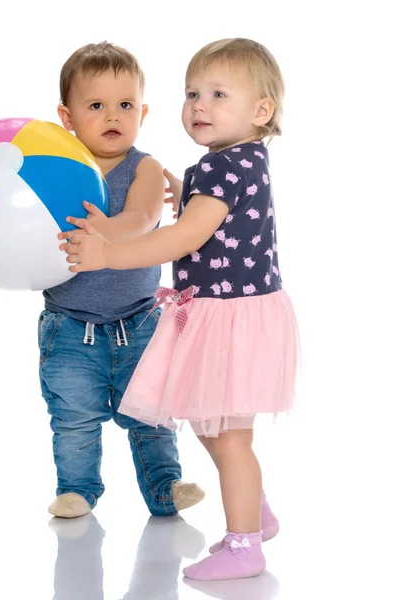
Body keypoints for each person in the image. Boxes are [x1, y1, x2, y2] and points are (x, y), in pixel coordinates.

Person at [60, 38, 299, 580]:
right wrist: (184, 185)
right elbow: (218, 208)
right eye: (193, 93)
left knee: (230, 435)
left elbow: (181, 238)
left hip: (228, 317)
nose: (199, 106)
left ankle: (245, 546)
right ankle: (253, 507)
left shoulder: (219, 170)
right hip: (241, 312)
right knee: (209, 421)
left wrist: (109, 253)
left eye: (218, 94)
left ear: (260, 111)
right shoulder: (239, 160)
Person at [39, 41, 205, 519]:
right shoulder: (55, 167)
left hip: (140, 323)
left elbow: (142, 217)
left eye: (125, 105)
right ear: (66, 117)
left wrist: (102, 235)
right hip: (69, 325)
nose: (113, 115)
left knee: (152, 415)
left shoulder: (145, 167)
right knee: (73, 419)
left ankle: (166, 487)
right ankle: (77, 490)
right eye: (96, 105)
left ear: (143, 112)